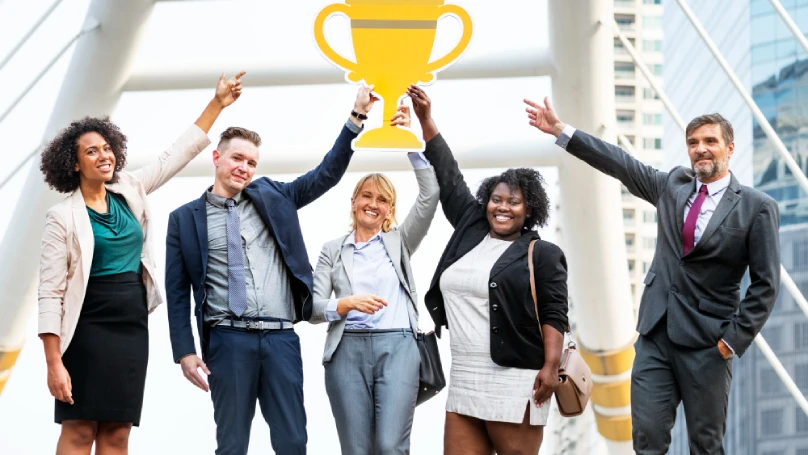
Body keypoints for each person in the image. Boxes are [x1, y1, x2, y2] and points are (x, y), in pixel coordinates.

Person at [524, 97, 781, 454]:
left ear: (729, 148)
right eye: (693, 143)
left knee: (706, 445)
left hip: (709, 344)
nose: (701, 150)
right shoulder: (671, 186)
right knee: (646, 436)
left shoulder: (756, 207)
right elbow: (620, 163)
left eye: (710, 141)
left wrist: (731, 341)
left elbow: (766, 285)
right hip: (655, 336)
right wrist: (561, 131)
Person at [37, 71, 244, 455]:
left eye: (106, 147)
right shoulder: (61, 217)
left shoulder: (129, 189)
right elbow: (50, 294)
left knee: (118, 432)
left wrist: (216, 104)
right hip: (85, 327)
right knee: (80, 429)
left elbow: (175, 155)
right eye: (92, 151)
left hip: (130, 324)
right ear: (74, 164)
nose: (104, 156)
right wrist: (53, 364)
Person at [164, 86, 378, 455]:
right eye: (237, 158)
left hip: (280, 339)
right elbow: (177, 290)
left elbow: (324, 175)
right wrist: (184, 351)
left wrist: (355, 118)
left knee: (293, 441)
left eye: (251, 162)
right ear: (216, 157)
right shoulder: (184, 219)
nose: (244, 168)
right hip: (227, 341)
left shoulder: (274, 196)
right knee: (231, 445)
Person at [404, 85, 569, 455]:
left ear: (529, 210)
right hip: (465, 376)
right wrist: (426, 119)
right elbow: (448, 175)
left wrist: (551, 365)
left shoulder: (541, 253)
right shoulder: (471, 226)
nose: (503, 207)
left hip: (517, 380)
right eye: (496, 199)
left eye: (514, 202)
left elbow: (556, 314)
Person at [310, 105, 439, 455]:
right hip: (346, 351)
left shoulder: (400, 241)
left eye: (383, 200)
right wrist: (346, 303)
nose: (374, 203)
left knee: (388, 445)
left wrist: (411, 144)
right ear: (353, 202)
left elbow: (429, 198)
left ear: (390, 210)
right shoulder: (332, 249)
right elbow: (312, 308)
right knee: (356, 450)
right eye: (366, 196)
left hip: (397, 348)